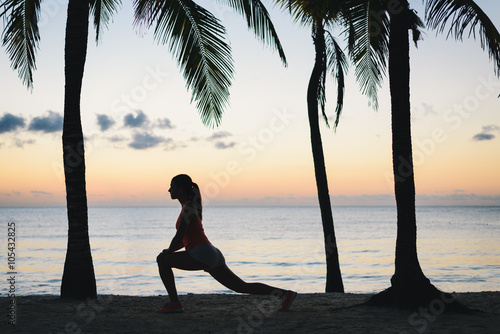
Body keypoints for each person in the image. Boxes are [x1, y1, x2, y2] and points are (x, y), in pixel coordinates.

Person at [155, 174, 297, 314]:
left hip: (202, 253)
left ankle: (174, 304)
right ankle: (285, 295)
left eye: (172, 187)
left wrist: (168, 252)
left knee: (162, 260)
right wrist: (170, 250)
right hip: (210, 253)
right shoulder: (190, 207)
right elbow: (183, 240)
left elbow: (179, 236)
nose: (169, 190)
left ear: (180, 189)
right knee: (241, 287)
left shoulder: (188, 208)